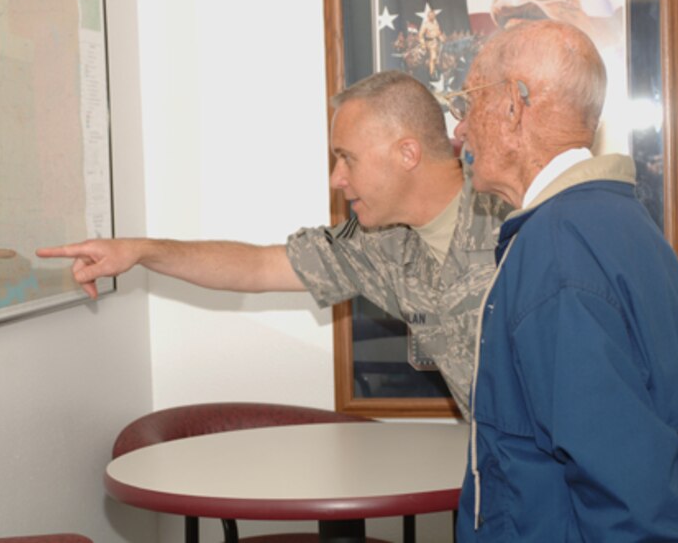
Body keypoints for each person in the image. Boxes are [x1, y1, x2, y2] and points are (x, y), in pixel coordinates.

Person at [36, 70, 511, 420]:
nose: (336, 178)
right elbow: (258, 267)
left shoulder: (515, 215)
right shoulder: (379, 244)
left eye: (347, 158)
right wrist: (142, 251)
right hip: (493, 485)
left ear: (407, 153)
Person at [452, 19, 678, 541]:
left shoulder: (558, 251)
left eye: (468, 101)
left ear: (511, 105)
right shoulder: (621, 225)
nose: (459, 129)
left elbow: (627, 502)